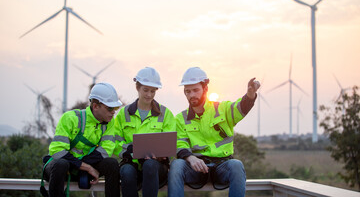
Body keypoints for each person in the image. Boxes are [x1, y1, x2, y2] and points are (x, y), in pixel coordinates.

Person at [168, 67, 260, 197]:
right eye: (187, 91)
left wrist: (250, 95)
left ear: (205, 89)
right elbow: (180, 144)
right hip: (196, 168)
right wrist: (191, 158)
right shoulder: (180, 119)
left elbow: (241, 108)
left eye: (195, 90)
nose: (191, 95)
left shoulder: (222, 109)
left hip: (222, 166)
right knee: (177, 165)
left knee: (236, 165)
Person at [41, 82, 121, 197]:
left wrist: (84, 167)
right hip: (61, 169)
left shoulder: (110, 122)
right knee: (61, 164)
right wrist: (87, 167)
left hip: (82, 167)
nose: (113, 112)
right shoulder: (70, 118)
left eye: (116, 108)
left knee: (112, 163)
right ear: (95, 106)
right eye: (110, 108)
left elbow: (106, 150)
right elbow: (57, 151)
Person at [114, 67, 176, 197]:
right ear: (137, 87)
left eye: (153, 91)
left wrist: (160, 154)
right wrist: (131, 150)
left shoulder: (165, 114)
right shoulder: (123, 114)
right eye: (145, 90)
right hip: (131, 163)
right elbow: (115, 142)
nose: (149, 95)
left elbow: (170, 142)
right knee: (126, 172)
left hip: (157, 166)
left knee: (150, 165)